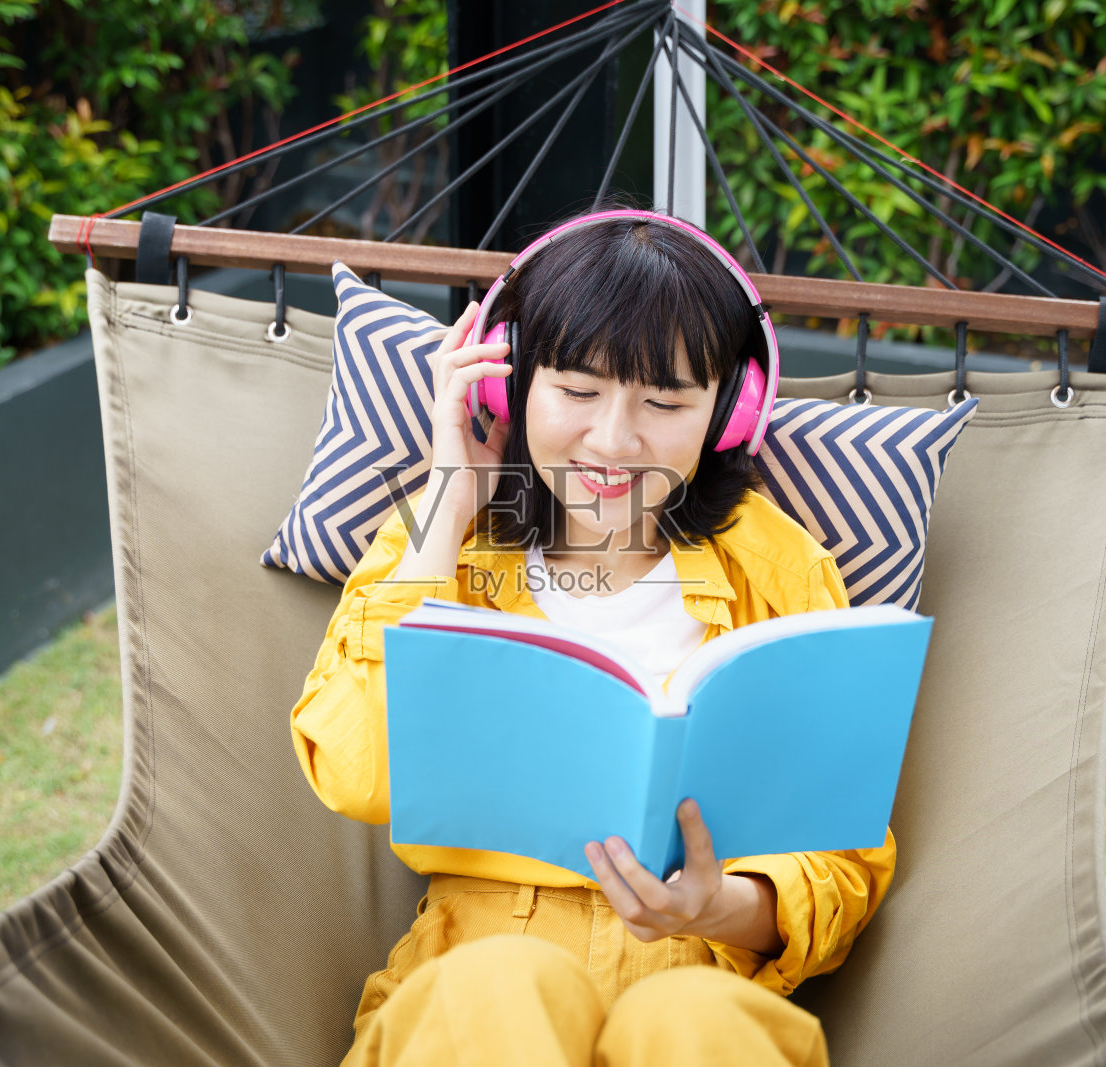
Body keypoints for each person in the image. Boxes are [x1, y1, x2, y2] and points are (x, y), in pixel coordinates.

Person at [290, 209, 896, 1066]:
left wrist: (716, 904)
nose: (614, 441)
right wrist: (447, 503)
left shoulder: (779, 567)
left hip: (697, 969)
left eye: (666, 401)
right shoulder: (439, 542)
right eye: (576, 391)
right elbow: (354, 771)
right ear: (508, 385)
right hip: (476, 976)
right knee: (503, 988)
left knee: (693, 1023)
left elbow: (843, 856)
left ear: (730, 411)